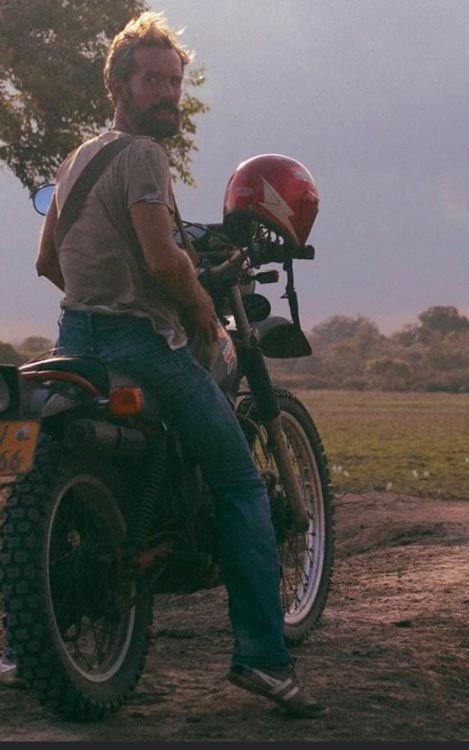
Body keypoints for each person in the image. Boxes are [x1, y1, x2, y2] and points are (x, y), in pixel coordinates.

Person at [34, 11, 326, 719]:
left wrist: (101, 292)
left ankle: (23, 646)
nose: (168, 94)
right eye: (154, 81)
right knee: (241, 485)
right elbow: (166, 261)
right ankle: (262, 657)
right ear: (119, 84)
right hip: (138, 343)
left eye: (176, 82)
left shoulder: (77, 159)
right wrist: (202, 318)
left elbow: (47, 262)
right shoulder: (142, 157)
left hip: (74, 336)